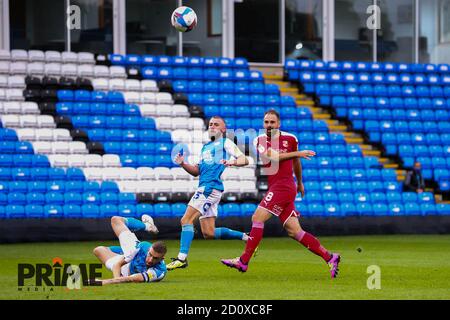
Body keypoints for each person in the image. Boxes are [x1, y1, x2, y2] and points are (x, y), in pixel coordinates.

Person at [221, 110, 341, 279]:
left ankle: (243, 261)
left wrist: (299, 182)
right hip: (277, 187)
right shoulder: (260, 140)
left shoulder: (291, 139)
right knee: (295, 231)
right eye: (266, 122)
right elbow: (274, 157)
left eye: (272, 122)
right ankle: (330, 257)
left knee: (257, 218)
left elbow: (295, 163)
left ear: (279, 124)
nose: (269, 125)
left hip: (284, 187)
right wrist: (298, 153)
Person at [166, 116, 251, 271]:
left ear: (223, 129)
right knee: (208, 233)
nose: (212, 126)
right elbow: (197, 171)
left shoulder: (226, 142)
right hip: (209, 188)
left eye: (216, 124)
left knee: (186, 220)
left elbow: (244, 159)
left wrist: (232, 162)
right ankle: (246, 237)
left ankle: (181, 259)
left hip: (209, 188)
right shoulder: (206, 147)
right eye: (210, 124)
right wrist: (183, 164)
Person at [93, 215, 167, 285]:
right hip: (133, 249)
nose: (150, 260)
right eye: (150, 255)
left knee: (98, 250)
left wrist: (106, 281)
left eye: (155, 258)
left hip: (125, 271)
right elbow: (118, 264)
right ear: (148, 250)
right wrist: (116, 280)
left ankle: (124, 255)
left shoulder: (159, 271)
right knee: (116, 220)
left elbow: (133, 278)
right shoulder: (142, 247)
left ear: (162, 259)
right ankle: (148, 226)